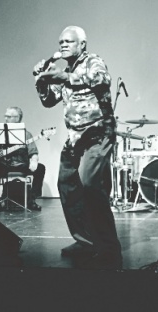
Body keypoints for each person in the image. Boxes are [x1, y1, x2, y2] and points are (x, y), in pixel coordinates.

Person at [34, 25, 122, 270]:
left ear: (82, 44)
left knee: (91, 186)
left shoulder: (93, 62)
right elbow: (49, 101)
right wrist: (40, 81)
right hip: (75, 139)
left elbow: (102, 81)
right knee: (67, 185)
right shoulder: (66, 69)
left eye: (69, 41)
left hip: (98, 133)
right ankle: (85, 241)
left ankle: (108, 247)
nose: (63, 45)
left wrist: (65, 77)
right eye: (61, 41)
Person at [0, 106, 44, 211]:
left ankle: (32, 199)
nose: (5, 119)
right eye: (5, 116)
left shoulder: (26, 134)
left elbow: (33, 152)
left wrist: (34, 160)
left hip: (21, 164)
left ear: (17, 118)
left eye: (8, 116)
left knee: (41, 168)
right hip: (3, 165)